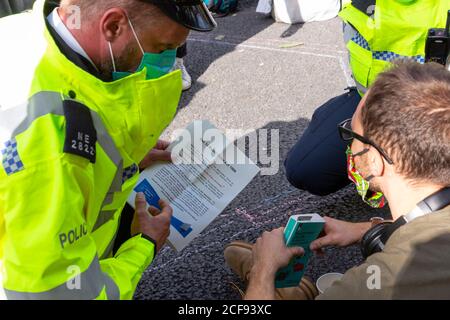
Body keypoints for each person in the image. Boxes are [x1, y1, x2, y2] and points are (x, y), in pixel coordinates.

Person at [0, 0, 216, 300]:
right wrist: (144, 245)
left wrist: (121, 158)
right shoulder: (50, 150)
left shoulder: (21, 32)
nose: (168, 63)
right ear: (113, 26)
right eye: (163, 47)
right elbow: (62, 294)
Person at [225, 62, 450, 299]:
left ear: (375, 160)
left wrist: (264, 269)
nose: (349, 145)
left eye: (351, 134)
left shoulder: (382, 281)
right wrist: (369, 229)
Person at [284, 0, 450, 197]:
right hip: (375, 101)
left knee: (422, 189)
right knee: (307, 169)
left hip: (439, 112)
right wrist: (361, 127)